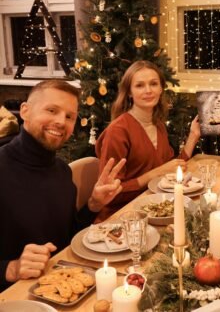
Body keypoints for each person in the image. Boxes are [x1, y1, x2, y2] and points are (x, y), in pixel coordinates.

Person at [0, 80, 126, 291]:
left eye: (69, 116)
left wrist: (93, 206)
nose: (61, 122)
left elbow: (67, 238)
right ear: (25, 111)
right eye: (51, 110)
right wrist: (11, 268)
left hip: (62, 287)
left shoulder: (61, 170)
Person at [95, 60, 201, 221]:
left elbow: (170, 170)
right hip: (122, 217)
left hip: (155, 209)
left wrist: (193, 136)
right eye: (139, 85)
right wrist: (156, 173)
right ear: (129, 92)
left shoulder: (158, 124)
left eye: (153, 84)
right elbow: (111, 194)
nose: (148, 90)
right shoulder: (118, 131)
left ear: (161, 89)